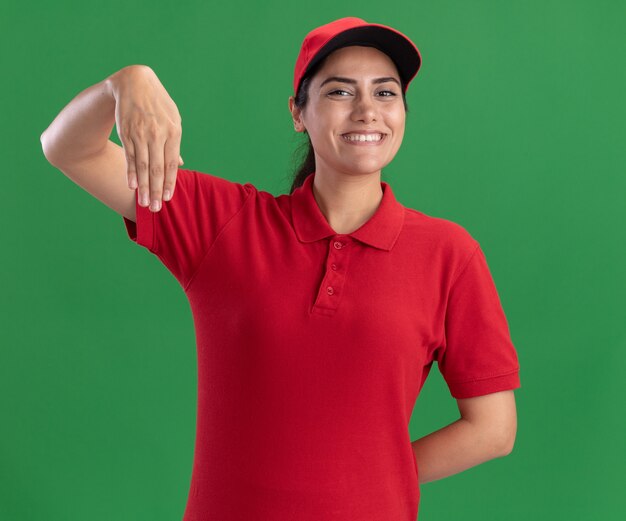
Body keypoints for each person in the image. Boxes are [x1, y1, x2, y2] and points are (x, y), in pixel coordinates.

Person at [40, 16, 521, 521]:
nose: (366, 111)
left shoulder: (449, 254)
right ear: (298, 112)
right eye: (339, 92)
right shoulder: (222, 226)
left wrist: (369, 475)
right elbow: (66, 148)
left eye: (385, 94)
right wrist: (124, 83)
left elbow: (493, 428)